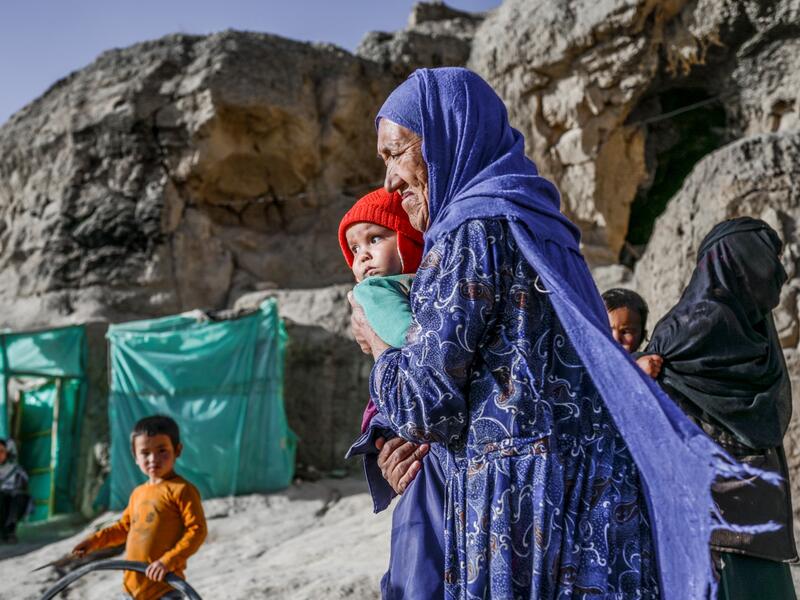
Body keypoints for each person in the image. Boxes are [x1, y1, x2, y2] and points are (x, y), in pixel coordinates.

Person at [350, 67, 755, 599]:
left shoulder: (471, 230)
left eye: (396, 153)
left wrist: (379, 345)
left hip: (522, 509)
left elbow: (427, 404)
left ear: (448, 135)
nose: (389, 181)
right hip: (595, 502)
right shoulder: (536, 223)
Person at [640, 217, 797, 600]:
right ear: (741, 261)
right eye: (769, 257)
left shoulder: (758, 328)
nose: (779, 270)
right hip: (708, 515)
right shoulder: (684, 330)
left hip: (757, 504)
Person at [339, 187, 446, 599]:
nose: (362, 255)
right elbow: (413, 346)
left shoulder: (418, 281)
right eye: (354, 248)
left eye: (375, 239)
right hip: (400, 416)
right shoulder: (376, 291)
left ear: (407, 238)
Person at [73, 415, 207, 600]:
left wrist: (167, 562)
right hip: (131, 590)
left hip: (164, 589)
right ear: (135, 457)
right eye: (145, 453)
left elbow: (197, 531)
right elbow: (124, 528)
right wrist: (93, 542)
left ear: (177, 450)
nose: (153, 458)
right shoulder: (138, 493)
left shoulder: (182, 490)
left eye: (162, 450)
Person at [0, 438, 30, 543]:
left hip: (11, 500)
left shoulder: (15, 469)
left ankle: (9, 531)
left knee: (17, 497)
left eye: (1, 451)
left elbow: (24, 484)